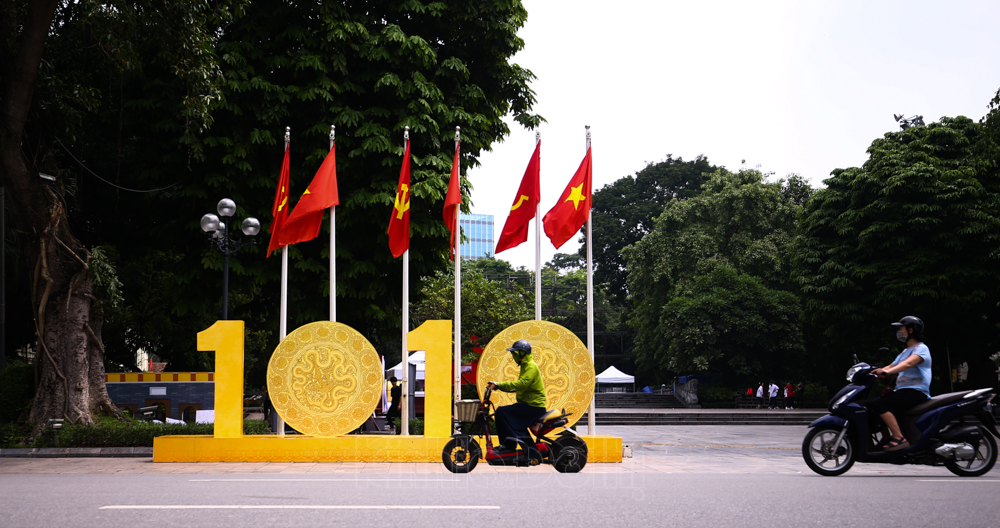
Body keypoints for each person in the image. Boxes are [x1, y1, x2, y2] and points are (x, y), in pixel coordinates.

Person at [869, 316, 932, 452]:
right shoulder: (905, 352)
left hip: (916, 391)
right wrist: (874, 371)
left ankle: (899, 437)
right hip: (903, 391)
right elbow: (891, 365)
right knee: (872, 404)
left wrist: (887, 372)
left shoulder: (921, 349)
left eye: (901, 328)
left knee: (880, 404)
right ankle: (886, 438)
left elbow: (907, 364)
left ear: (910, 330)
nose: (899, 331)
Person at [487, 339, 547, 455]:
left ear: (522, 353)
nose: (513, 355)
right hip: (528, 405)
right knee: (513, 422)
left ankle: (508, 446)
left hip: (533, 406)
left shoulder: (530, 366)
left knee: (501, 412)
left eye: (514, 353)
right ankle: (531, 451)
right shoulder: (525, 365)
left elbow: (521, 384)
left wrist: (499, 385)